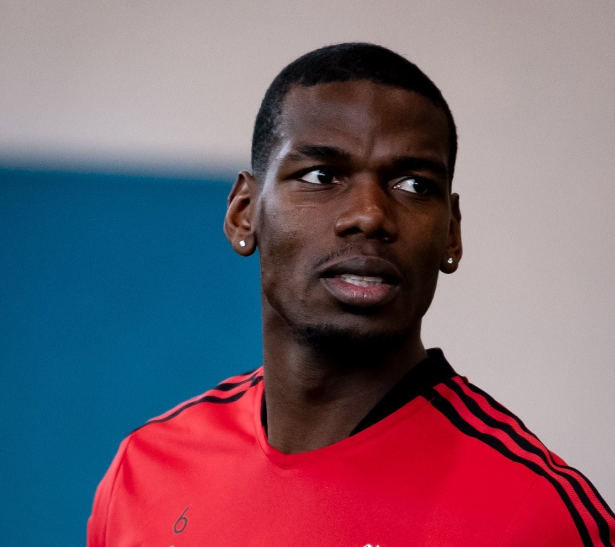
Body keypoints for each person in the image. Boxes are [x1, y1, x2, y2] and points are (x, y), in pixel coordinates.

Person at [87, 43, 615, 546]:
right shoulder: (145, 469)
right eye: (321, 175)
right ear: (244, 212)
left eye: (414, 185)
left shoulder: (535, 515)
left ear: (451, 234)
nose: (370, 214)